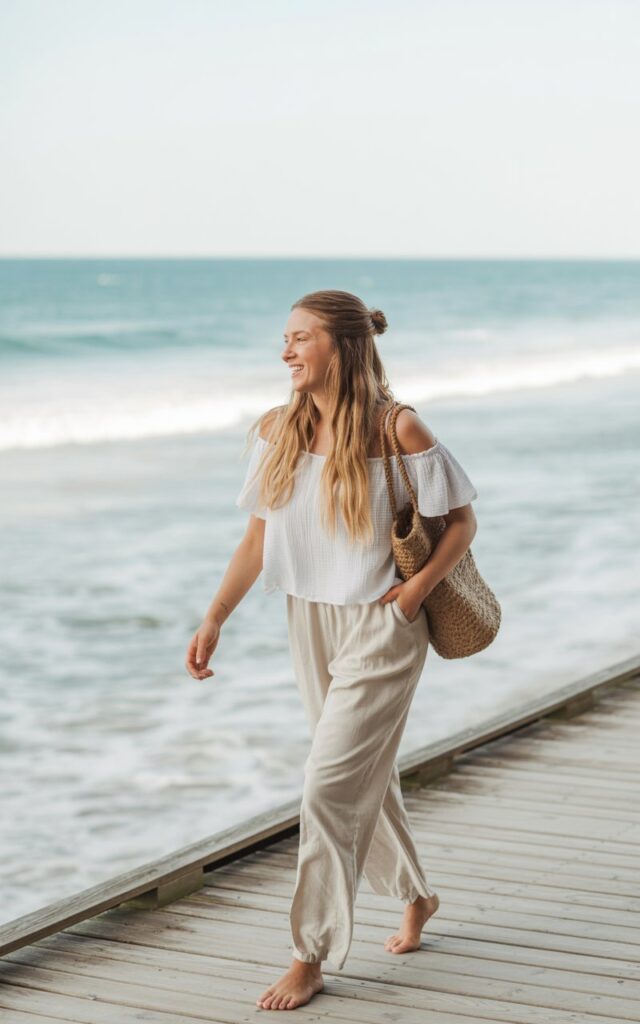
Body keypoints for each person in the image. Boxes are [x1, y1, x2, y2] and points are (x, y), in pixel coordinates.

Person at [185, 290, 479, 1011]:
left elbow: (462, 523)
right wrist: (215, 615)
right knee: (357, 777)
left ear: (342, 346)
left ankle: (309, 954)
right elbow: (258, 538)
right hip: (307, 617)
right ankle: (416, 896)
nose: (285, 351)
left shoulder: (397, 427)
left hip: (382, 623)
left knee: (325, 785)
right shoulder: (276, 430)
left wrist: (413, 597)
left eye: (301, 338)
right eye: (283, 338)